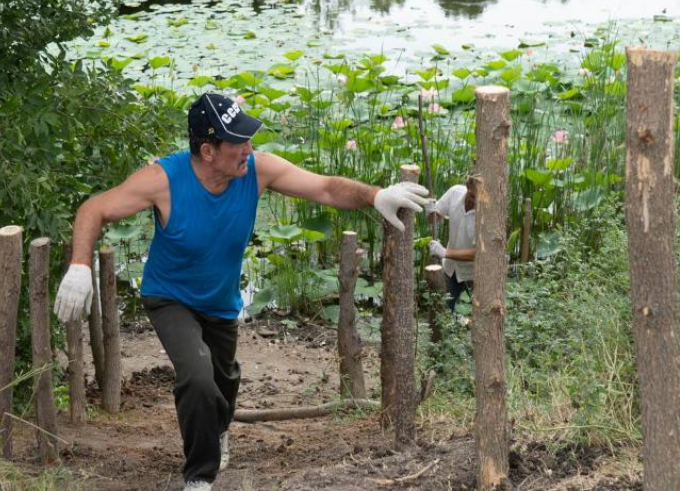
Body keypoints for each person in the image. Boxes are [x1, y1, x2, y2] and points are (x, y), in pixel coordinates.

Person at [54, 92, 429, 491]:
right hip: (170, 297)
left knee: (222, 381)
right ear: (208, 150)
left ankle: (217, 429)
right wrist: (79, 264)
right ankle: (200, 477)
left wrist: (375, 195)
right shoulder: (163, 180)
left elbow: (324, 188)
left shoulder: (257, 170)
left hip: (221, 302)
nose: (249, 149)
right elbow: (93, 209)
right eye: (239, 142)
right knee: (197, 375)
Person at [427, 176, 477, 314]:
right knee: (443, 311)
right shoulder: (455, 193)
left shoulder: (487, 215)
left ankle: (465, 327)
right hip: (451, 269)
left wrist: (444, 252)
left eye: (478, 198)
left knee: (482, 316)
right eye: (472, 195)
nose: (473, 200)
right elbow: (433, 219)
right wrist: (431, 211)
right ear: (468, 187)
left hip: (475, 274)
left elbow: (478, 253)